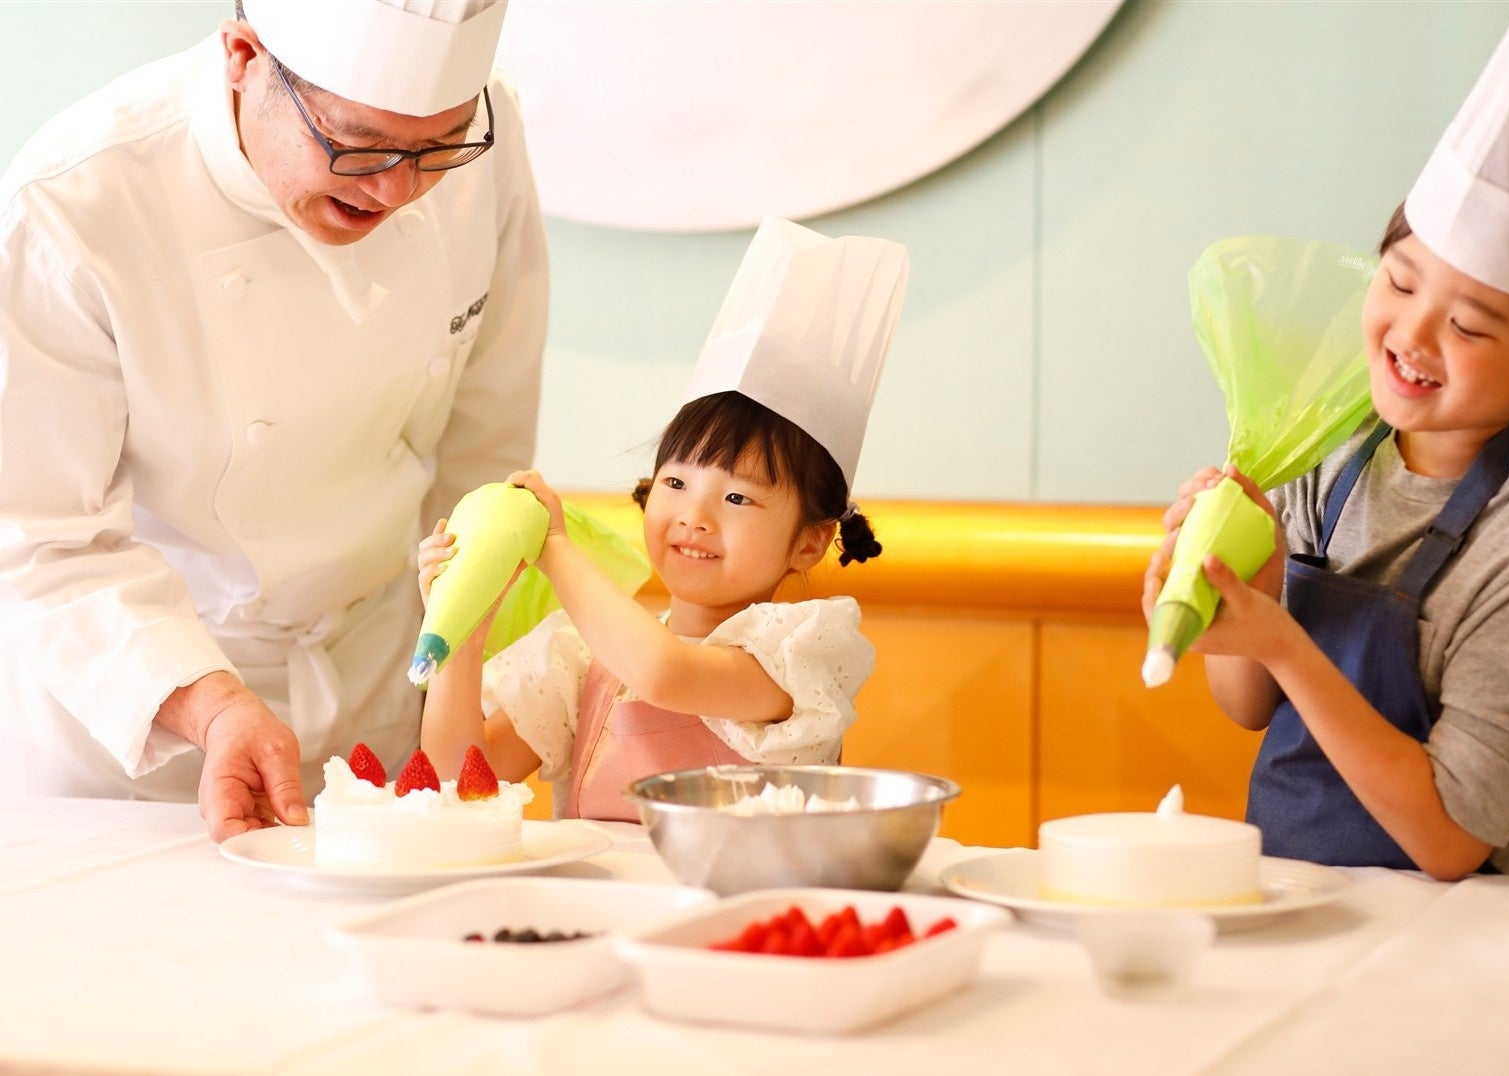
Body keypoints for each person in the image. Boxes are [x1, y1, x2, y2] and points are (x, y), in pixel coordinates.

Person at [0, 0, 547, 841]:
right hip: (146, 706)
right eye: (357, 144)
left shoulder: (486, 128)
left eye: (436, 150)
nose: (395, 189)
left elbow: (485, 444)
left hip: (379, 674)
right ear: (243, 57)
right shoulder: (77, 202)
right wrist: (212, 706)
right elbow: (41, 538)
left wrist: (453, 666)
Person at [1143, 0, 1509, 879]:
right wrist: (1237, 588)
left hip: (1439, 935)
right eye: (1398, 283)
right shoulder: (1325, 435)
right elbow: (1249, 706)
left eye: (1468, 327)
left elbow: (1452, 841)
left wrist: (1286, 641)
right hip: (1287, 895)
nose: (1411, 336)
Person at [417, 217, 906, 820]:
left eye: (737, 498)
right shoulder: (580, 654)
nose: (693, 516)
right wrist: (461, 628)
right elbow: (458, 784)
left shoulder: (796, 656)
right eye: (676, 483)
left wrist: (555, 548)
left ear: (809, 542)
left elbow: (665, 674)